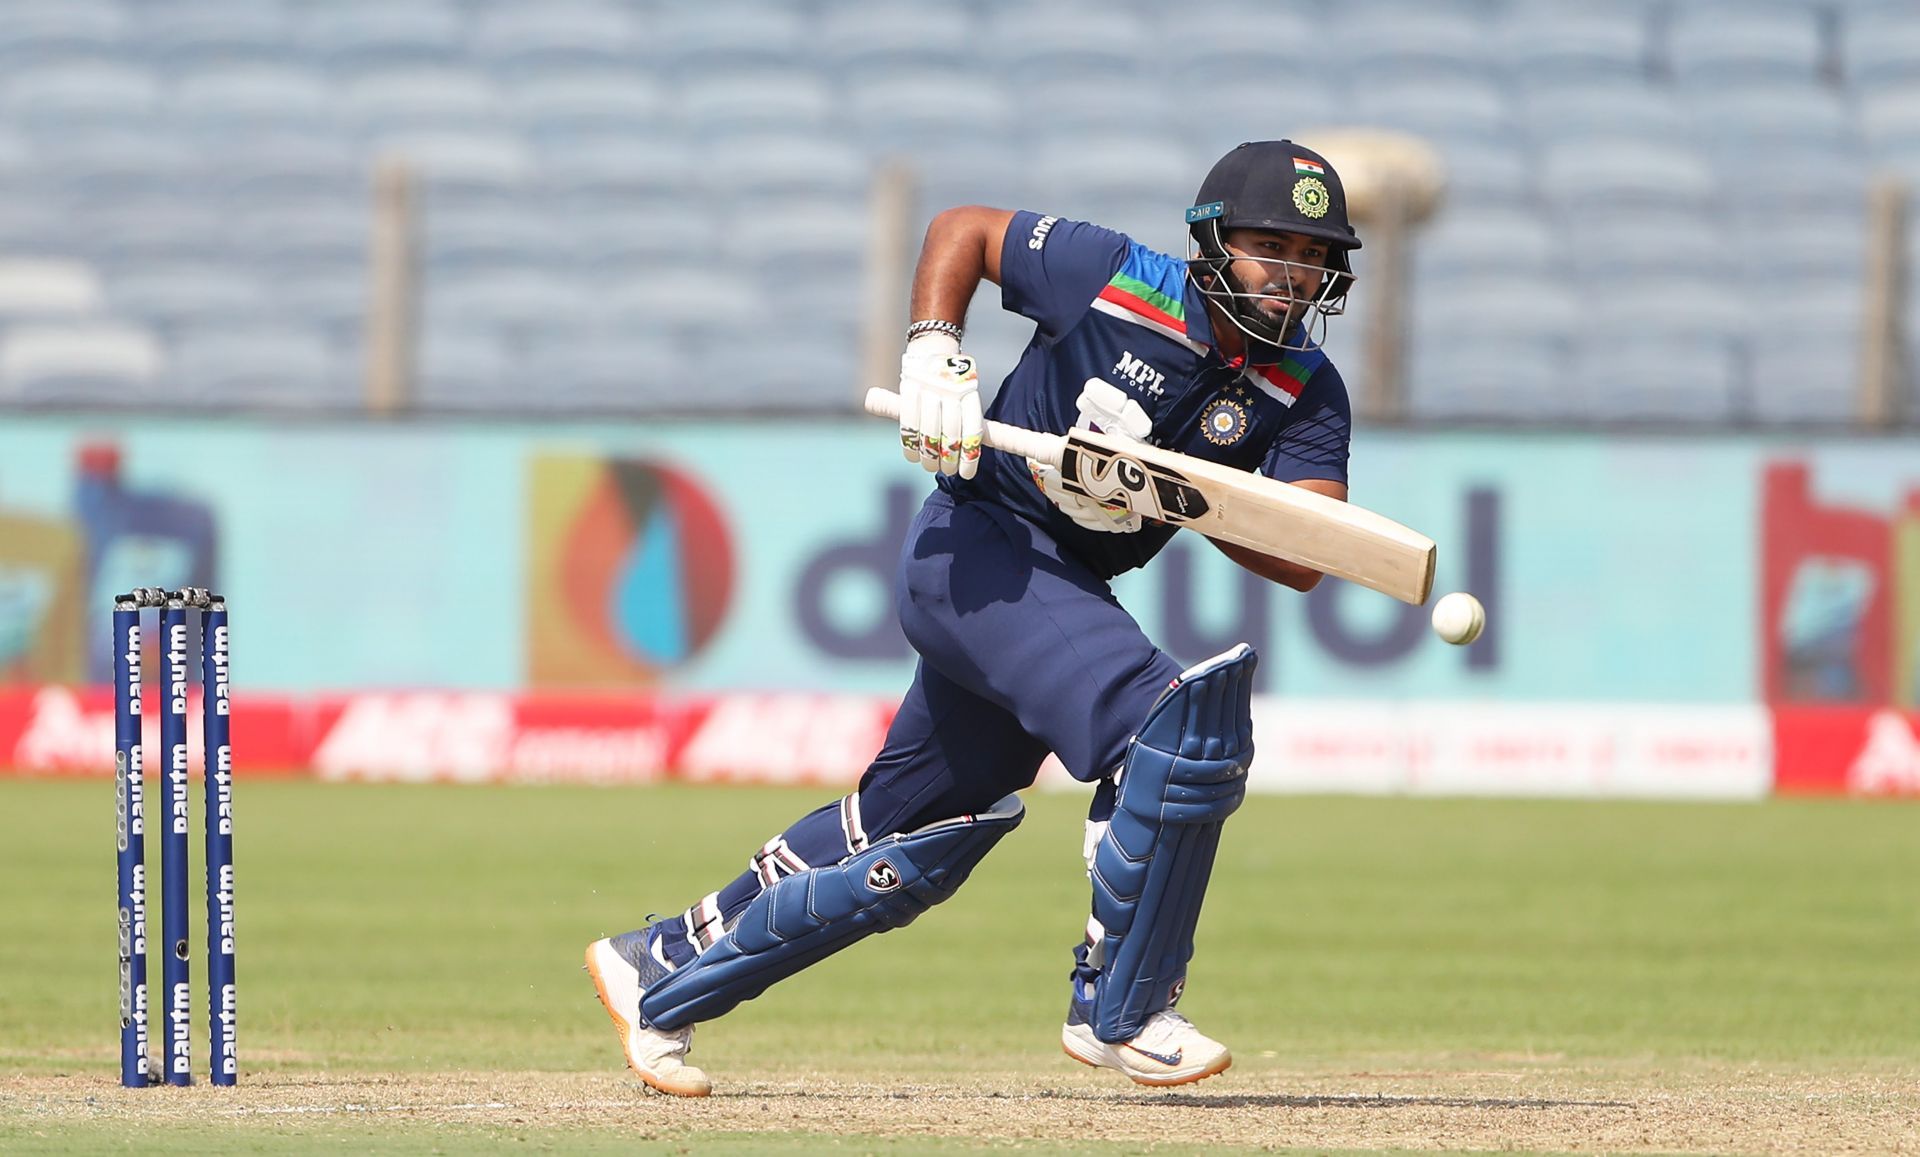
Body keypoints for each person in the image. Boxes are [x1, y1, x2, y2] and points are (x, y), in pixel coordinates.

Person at [586, 139, 1362, 1096]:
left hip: (1060, 595)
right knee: (1176, 726)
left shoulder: (1308, 391)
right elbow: (964, 230)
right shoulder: (1115, 275)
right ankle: (1120, 1006)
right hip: (978, 551)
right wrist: (933, 347)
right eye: (1270, 247)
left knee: (907, 841)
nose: (1294, 275)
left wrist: (1181, 495)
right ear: (1210, 243)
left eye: (1315, 256)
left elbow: (1309, 548)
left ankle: (657, 967)